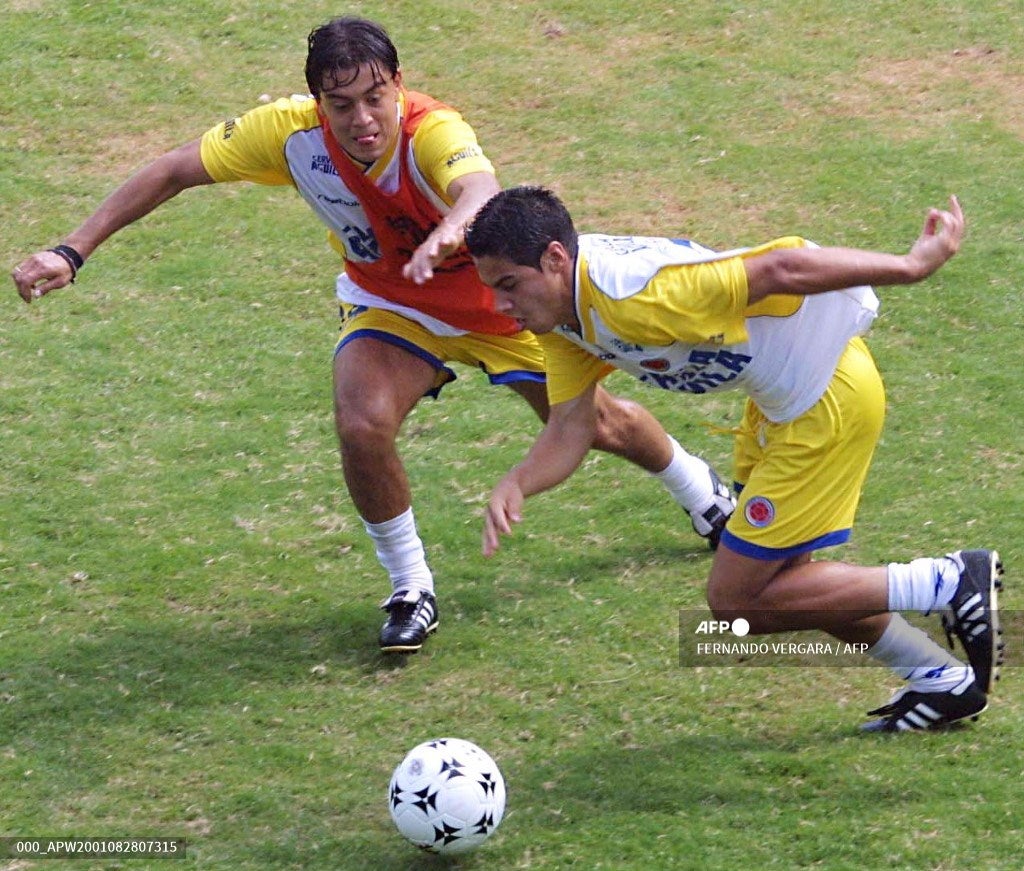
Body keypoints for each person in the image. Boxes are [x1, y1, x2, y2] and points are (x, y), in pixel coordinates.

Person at [10, 17, 734, 655]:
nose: (362, 118)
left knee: (593, 422)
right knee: (362, 420)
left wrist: (451, 230)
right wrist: (72, 250)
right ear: (318, 101)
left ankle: (700, 490)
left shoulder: (434, 132)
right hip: (390, 304)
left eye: (375, 97)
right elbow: (173, 169)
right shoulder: (292, 138)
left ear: (398, 86)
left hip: (495, 307)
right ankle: (409, 586)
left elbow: (480, 192)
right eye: (342, 103)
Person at [465, 185, 1004, 732]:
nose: (499, 305)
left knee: (735, 603)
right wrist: (518, 481)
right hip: (778, 408)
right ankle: (940, 679)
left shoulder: (633, 294)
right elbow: (572, 424)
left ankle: (947, 581)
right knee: (789, 585)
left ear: (556, 258)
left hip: (823, 403)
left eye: (508, 285)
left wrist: (911, 266)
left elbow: (781, 267)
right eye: (491, 288)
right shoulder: (562, 320)